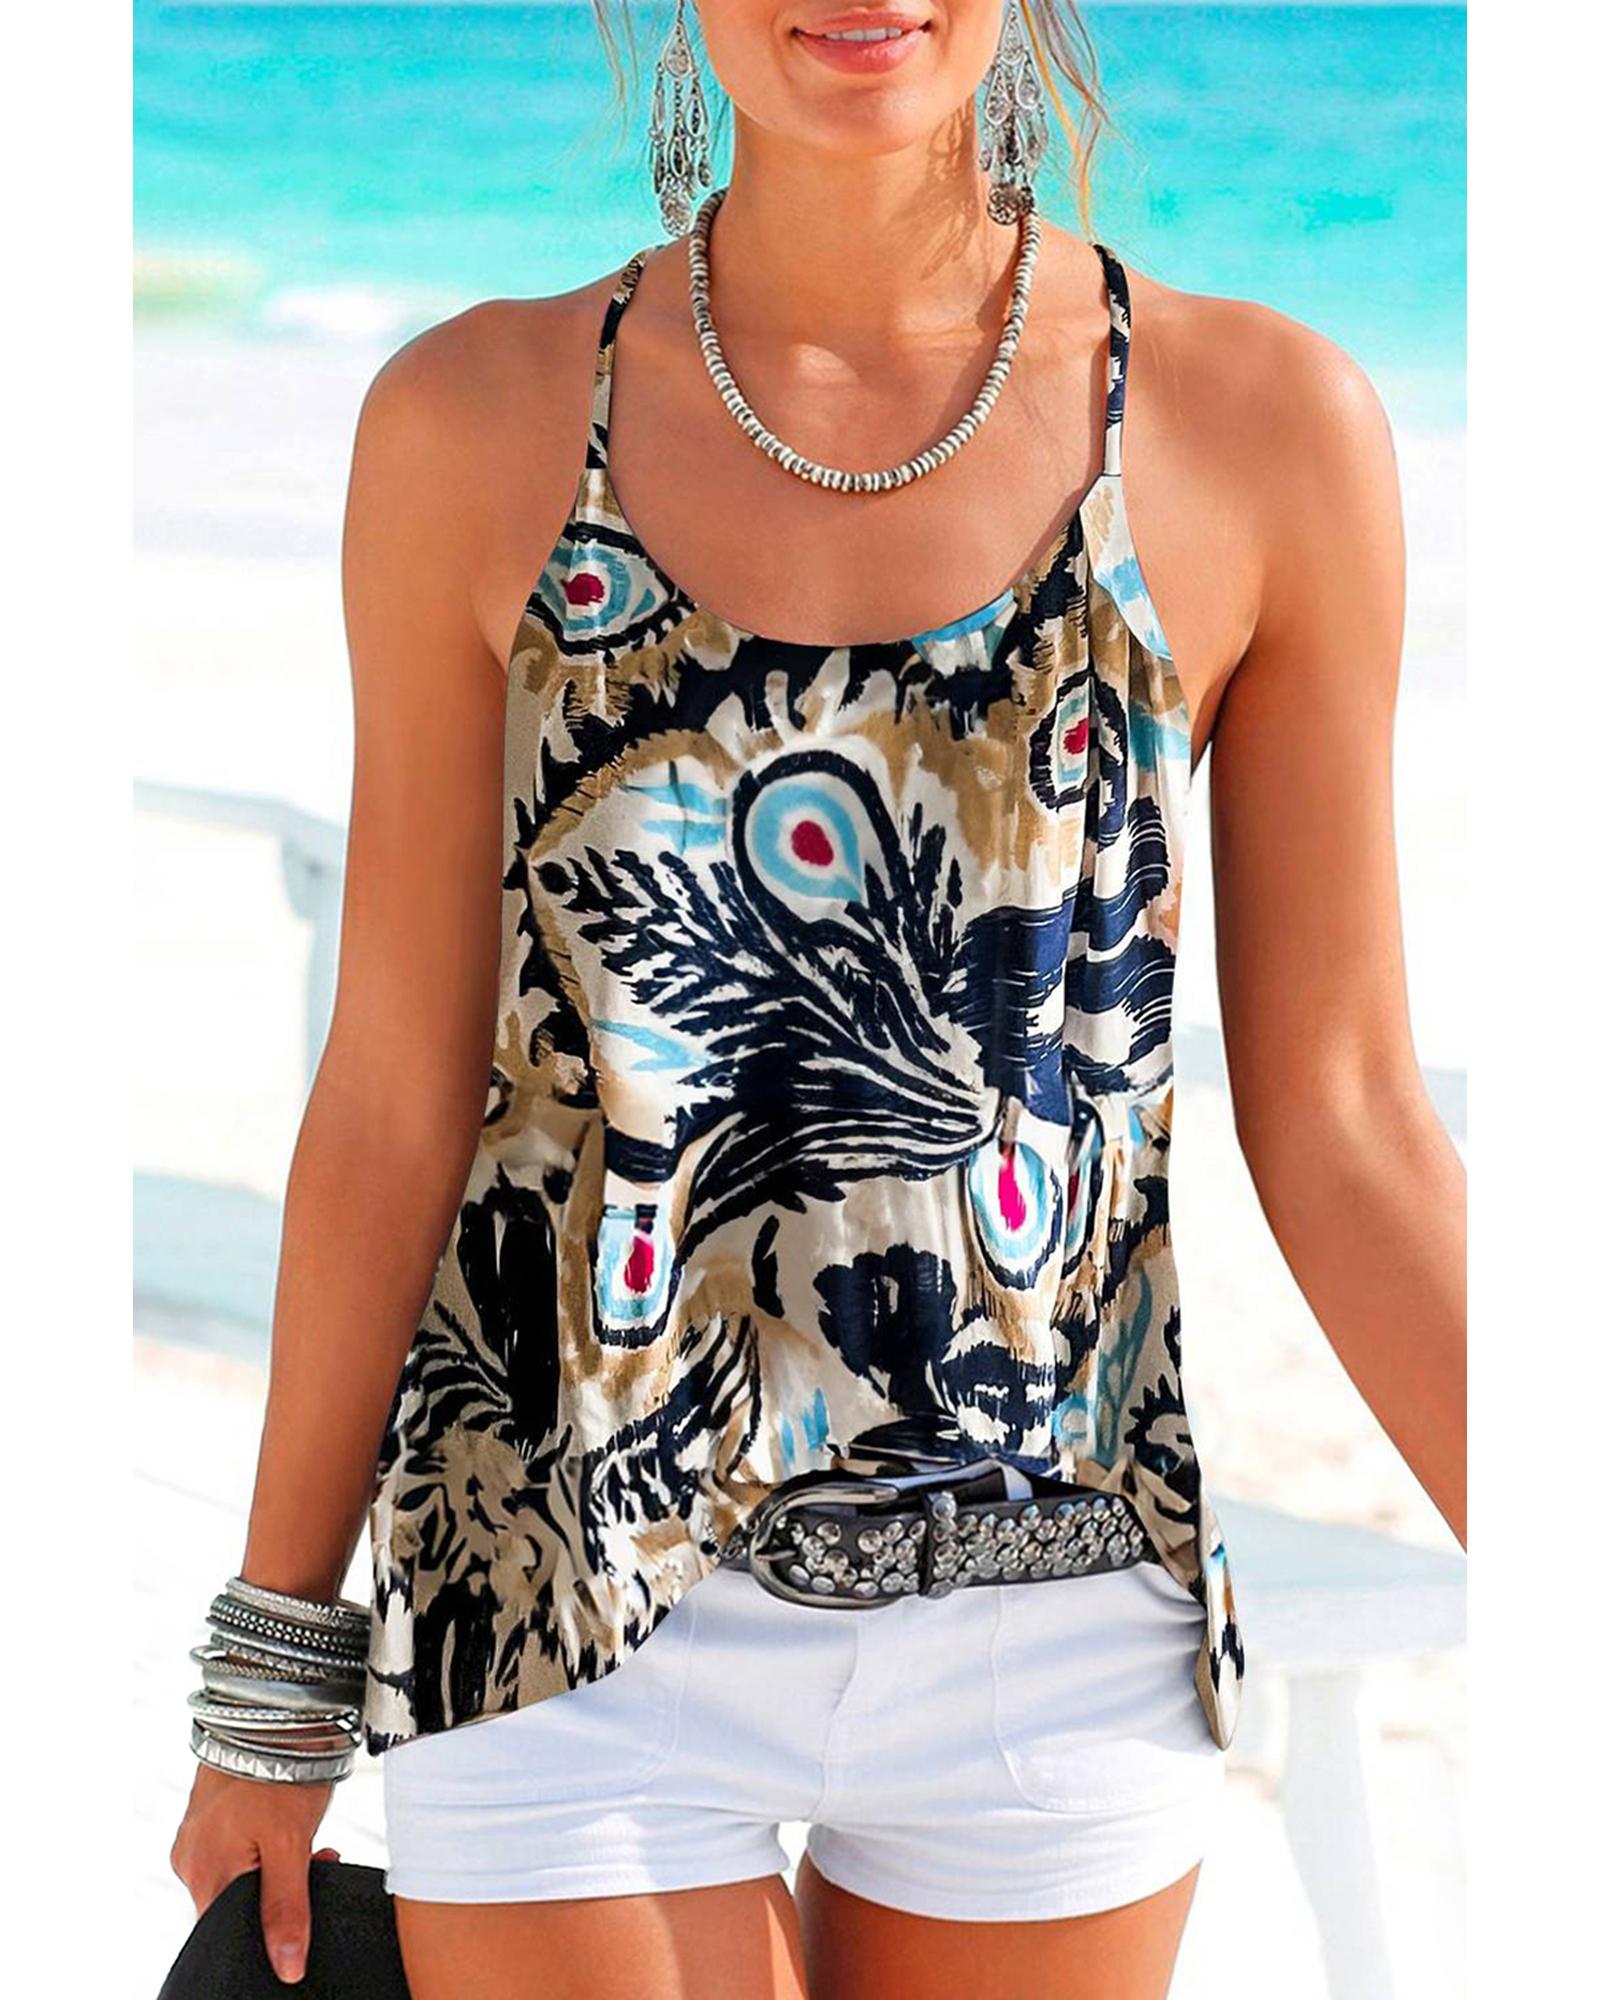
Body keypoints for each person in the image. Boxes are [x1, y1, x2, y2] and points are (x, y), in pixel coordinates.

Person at [167, 4, 1468, 1996]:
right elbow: (393, 1090)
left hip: (1058, 1602)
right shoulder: (473, 422)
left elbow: (1348, 1118)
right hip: (556, 1587)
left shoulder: (1259, 428)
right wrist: (276, 1668)